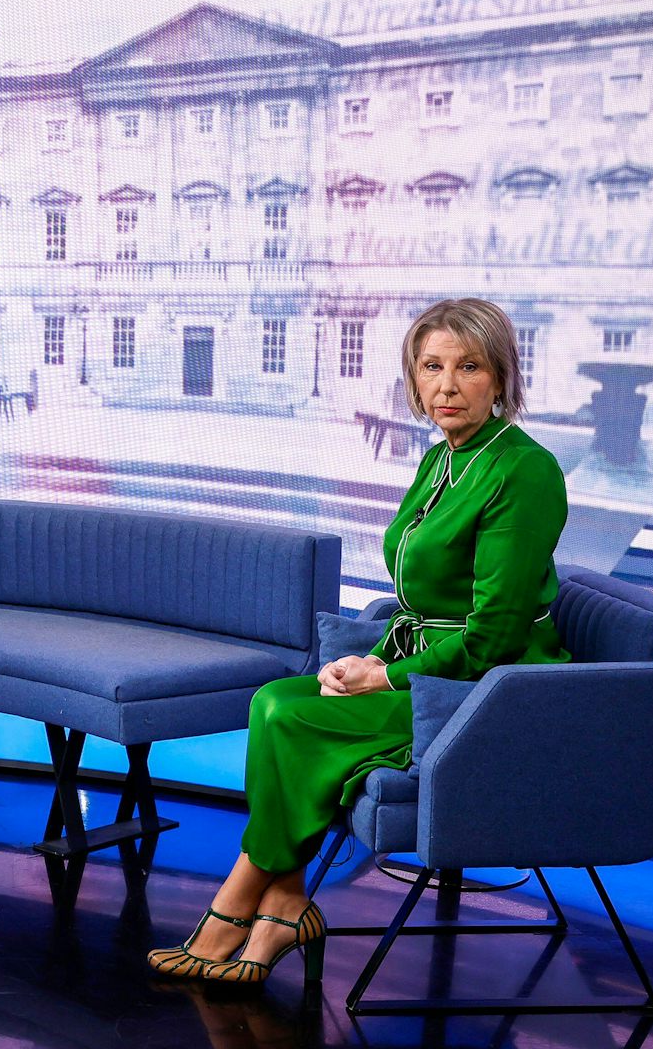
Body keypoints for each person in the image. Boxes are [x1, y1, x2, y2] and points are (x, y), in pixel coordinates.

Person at [148, 298, 568, 988]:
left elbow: (491, 636)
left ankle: (236, 907)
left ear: (500, 377)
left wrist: (387, 679)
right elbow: (423, 602)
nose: (447, 386)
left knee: (295, 715)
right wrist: (378, 657)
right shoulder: (444, 456)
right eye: (431, 367)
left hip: (490, 692)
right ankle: (283, 902)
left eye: (468, 367)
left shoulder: (522, 470)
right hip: (425, 668)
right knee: (271, 701)